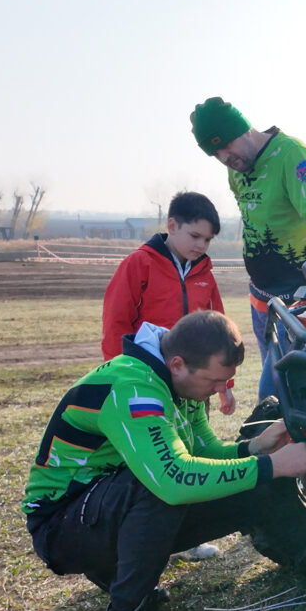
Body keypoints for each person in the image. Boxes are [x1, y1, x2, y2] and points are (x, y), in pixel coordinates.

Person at [23, 311, 306, 611]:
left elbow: (202, 453)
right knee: (159, 484)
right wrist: (270, 467)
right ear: (178, 363)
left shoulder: (173, 378)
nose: (221, 390)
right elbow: (172, 479)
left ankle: (118, 572)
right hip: (59, 527)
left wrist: (254, 448)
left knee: (247, 490)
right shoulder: (133, 388)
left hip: (98, 506)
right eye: (216, 381)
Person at [102, 191, 234, 561]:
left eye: (208, 240)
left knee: (190, 454)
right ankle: (142, 541)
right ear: (171, 226)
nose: (201, 245)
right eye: (195, 236)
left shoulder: (206, 272)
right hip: (148, 385)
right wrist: (123, 379)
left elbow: (219, 330)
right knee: (154, 461)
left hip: (194, 387)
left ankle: (187, 538)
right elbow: (115, 324)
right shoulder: (138, 265)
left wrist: (222, 384)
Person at [190, 96, 306, 400]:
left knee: (277, 387)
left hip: (299, 300)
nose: (225, 157)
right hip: (261, 298)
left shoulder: (291, 155)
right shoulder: (236, 169)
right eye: (216, 154)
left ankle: (264, 440)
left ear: (242, 129)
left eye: (226, 145)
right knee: (281, 378)